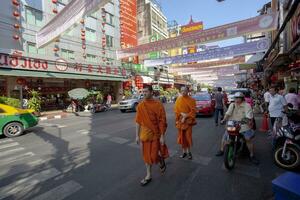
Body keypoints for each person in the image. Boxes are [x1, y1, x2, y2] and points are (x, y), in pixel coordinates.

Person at [135, 85, 168, 186]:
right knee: (146, 156)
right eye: (142, 92)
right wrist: (136, 135)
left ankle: (160, 160)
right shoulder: (141, 106)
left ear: (151, 92)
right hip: (145, 135)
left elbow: (162, 121)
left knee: (153, 156)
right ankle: (148, 175)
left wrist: (162, 135)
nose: (144, 94)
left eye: (146, 92)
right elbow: (138, 121)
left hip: (156, 134)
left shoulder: (158, 105)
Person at [216, 92, 259, 165]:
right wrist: (224, 119)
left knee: (248, 139)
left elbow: (249, 116)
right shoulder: (232, 105)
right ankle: (222, 150)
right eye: (235, 98)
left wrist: (243, 122)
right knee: (225, 137)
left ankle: (252, 155)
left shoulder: (247, 105)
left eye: (238, 98)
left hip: (243, 126)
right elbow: (227, 113)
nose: (236, 99)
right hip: (232, 125)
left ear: (242, 99)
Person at [174, 86, 197, 160]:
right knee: (181, 137)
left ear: (188, 91)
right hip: (181, 121)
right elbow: (176, 110)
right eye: (181, 90)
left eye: (184, 90)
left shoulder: (192, 100)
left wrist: (186, 116)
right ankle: (184, 152)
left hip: (188, 122)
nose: (183, 92)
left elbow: (193, 111)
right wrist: (181, 115)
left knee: (188, 137)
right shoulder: (178, 99)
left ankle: (189, 152)